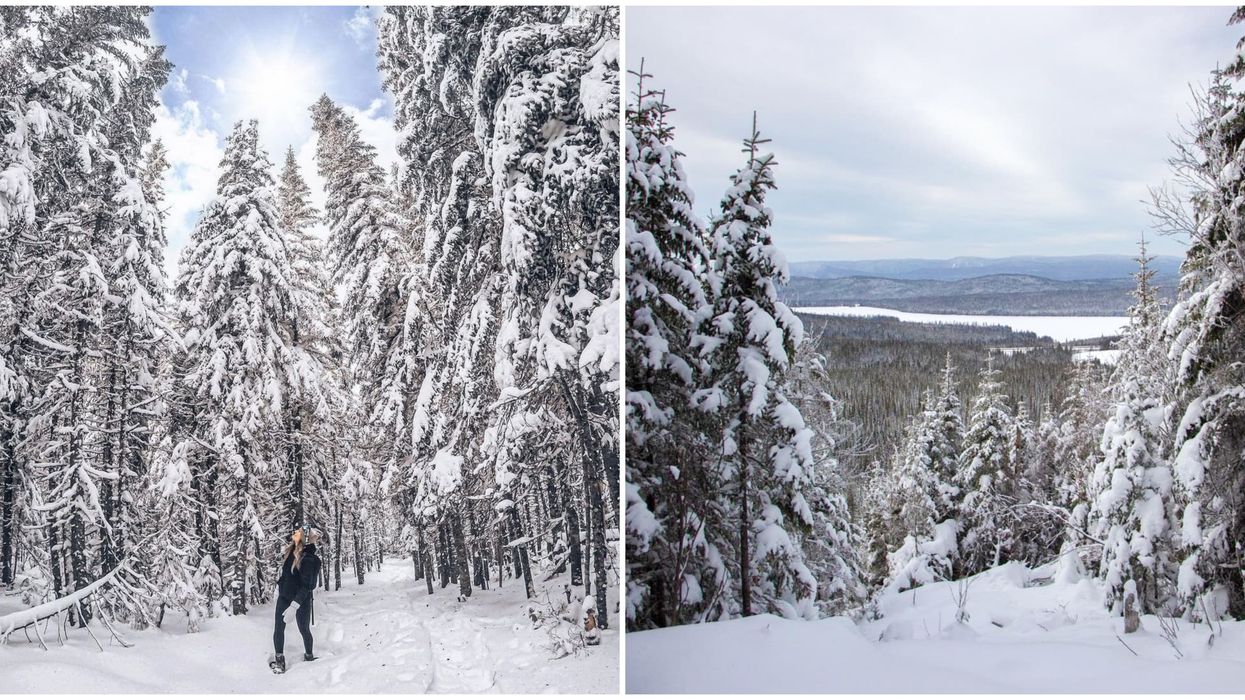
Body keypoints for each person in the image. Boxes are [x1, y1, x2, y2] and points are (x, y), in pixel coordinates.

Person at [271, 526, 322, 673]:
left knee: (304, 629)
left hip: (301, 601)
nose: (295, 534)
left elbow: (308, 586)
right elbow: (287, 574)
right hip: (284, 597)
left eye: (299, 533)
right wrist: (280, 586)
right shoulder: (291, 552)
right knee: (279, 628)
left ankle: (309, 656)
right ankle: (279, 661)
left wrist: (294, 606)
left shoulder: (311, 559)